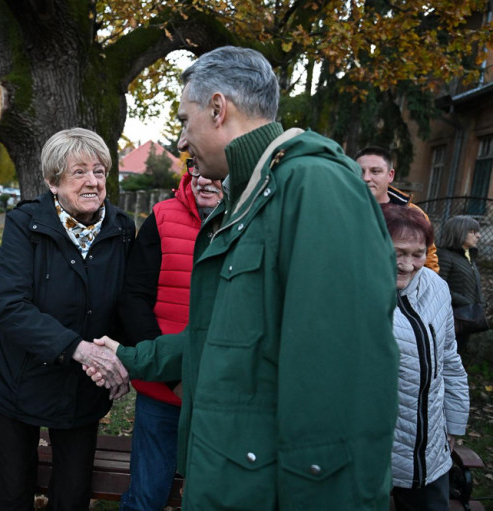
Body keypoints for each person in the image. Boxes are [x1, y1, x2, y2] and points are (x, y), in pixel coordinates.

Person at [87, 46, 400, 510]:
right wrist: (130, 356)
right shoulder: (250, 199)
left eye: (184, 119)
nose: (181, 141)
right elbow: (222, 340)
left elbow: (340, 384)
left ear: (217, 108)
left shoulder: (315, 188)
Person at [0, 128, 135, 510]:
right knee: (13, 493)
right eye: (78, 172)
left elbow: (128, 305)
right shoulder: (26, 224)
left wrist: (124, 359)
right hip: (18, 378)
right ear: (52, 181)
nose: (93, 182)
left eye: (99, 171)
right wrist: (78, 349)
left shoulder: (122, 229)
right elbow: (11, 307)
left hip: (81, 387)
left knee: (72, 493)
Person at [118, 162, 222, 510]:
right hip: (163, 393)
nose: (206, 180)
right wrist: (171, 375)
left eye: (216, 172)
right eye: (198, 169)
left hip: (220, 396)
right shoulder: (162, 218)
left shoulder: (250, 222)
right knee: (146, 497)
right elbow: (134, 298)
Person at [381, 204, 469, 511]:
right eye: (398, 253)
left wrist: (455, 426)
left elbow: (450, 361)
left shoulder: (437, 289)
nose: (407, 264)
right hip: (376, 453)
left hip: (431, 453)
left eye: (417, 253)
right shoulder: (355, 293)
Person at [355, 146, 439, 271]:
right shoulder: (341, 210)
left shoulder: (413, 214)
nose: (366, 178)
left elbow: (429, 262)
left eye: (375, 171)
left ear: (390, 175)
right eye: (360, 171)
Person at [437, 215, 488, 352]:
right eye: (472, 231)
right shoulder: (444, 255)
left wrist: (480, 303)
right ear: (458, 232)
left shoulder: (468, 256)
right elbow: (439, 286)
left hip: (467, 319)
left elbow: (474, 285)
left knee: (459, 356)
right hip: (452, 319)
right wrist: (465, 302)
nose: (478, 236)